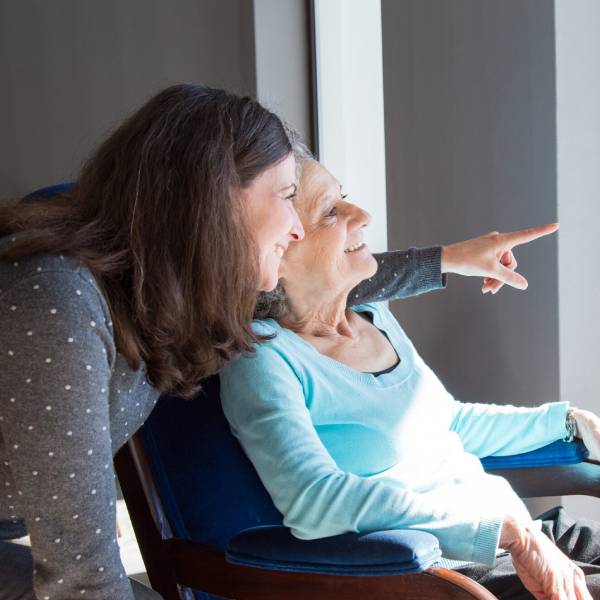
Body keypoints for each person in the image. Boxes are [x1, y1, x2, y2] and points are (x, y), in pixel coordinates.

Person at [0, 82, 560, 600]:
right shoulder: (58, 303)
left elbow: (316, 279)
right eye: (288, 196)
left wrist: (447, 262)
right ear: (215, 202)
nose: (296, 229)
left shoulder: (172, 293)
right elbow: (80, 571)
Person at [220, 157, 600, 600]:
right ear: (278, 247)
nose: (360, 215)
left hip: (522, 534)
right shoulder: (264, 355)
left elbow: (449, 424)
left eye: (344, 199)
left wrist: (569, 422)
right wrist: (505, 532)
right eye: (330, 211)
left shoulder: (372, 315)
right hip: (439, 574)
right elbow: (315, 501)